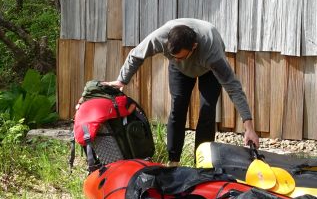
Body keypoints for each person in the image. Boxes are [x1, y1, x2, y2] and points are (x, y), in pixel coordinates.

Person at [106, 18, 258, 166]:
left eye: (181, 57)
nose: (177, 59)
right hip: (179, 71)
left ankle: (202, 164)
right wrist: (121, 80)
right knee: (177, 109)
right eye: (173, 56)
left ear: (194, 47)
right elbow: (136, 55)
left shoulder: (212, 51)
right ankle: (173, 162)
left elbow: (233, 87)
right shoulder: (161, 38)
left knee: (207, 111)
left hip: (208, 71)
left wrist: (249, 128)